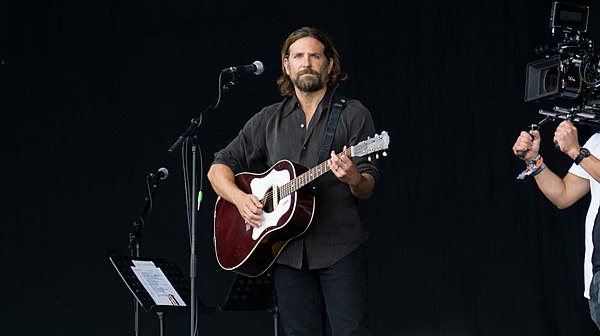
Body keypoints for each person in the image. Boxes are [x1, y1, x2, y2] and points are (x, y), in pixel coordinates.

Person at [207, 27, 379, 335]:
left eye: (315, 55)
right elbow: (218, 167)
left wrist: (353, 177)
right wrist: (240, 199)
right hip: (286, 253)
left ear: (329, 64)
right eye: (298, 56)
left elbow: (367, 186)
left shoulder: (353, 114)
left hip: (340, 247)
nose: (307, 63)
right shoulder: (268, 119)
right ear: (286, 65)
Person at [512, 120, 600, 328]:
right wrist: (534, 161)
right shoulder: (597, 142)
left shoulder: (584, 151)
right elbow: (564, 194)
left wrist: (575, 151)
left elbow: (577, 153)